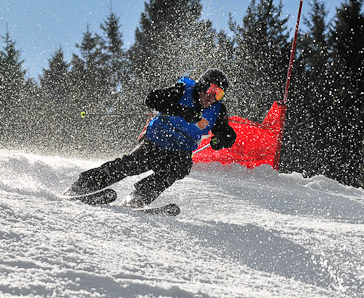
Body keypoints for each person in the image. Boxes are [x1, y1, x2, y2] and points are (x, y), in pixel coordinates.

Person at [66, 68, 237, 208]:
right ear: (202, 86)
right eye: (211, 90)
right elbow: (152, 98)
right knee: (131, 165)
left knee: (181, 167)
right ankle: (83, 186)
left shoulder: (217, 110)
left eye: (219, 94)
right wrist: (180, 111)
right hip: (157, 139)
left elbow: (229, 134)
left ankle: (139, 196)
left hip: (180, 149)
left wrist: (220, 139)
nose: (212, 97)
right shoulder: (183, 90)